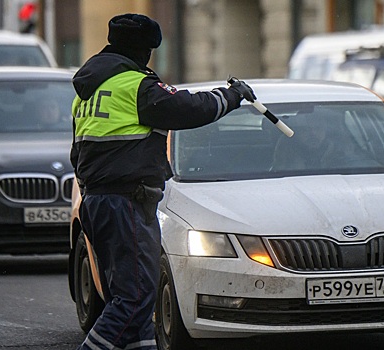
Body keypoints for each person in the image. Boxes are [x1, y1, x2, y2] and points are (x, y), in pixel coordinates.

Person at [70, 13, 255, 350]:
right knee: (136, 297)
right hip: (126, 203)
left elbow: (77, 154)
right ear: (143, 50)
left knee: (134, 304)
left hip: (98, 202)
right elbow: (189, 109)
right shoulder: (136, 85)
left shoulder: (88, 93)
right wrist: (231, 96)